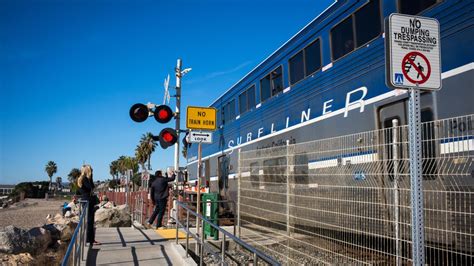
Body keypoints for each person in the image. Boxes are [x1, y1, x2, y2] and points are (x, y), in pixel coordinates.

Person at [77, 164, 100, 245]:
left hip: (86, 200)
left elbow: (90, 187)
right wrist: (91, 177)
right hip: (88, 201)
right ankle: (90, 240)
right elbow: (91, 187)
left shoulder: (81, 179)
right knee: (90, 221)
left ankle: (89, 239)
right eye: (91, 170)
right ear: (88, 171)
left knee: (89, 221)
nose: (92, 171)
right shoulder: (85, 179)